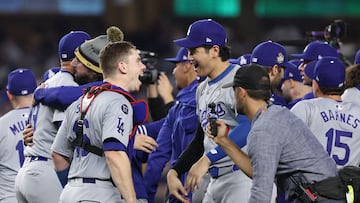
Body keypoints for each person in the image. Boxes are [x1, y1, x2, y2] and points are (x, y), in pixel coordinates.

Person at [209, 64, 341, 202]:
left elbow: (261, 195)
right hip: (325, 193)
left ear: (241, 92)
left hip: (321, 196)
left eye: (234, 91)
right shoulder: (277, 114)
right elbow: (259, 172)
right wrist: (224, 141)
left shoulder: (264, 128)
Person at [166, 19, 253, 203]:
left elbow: (248, 126)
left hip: (239, 178)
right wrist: (175, 171)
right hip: (212, 180)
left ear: (214, 50)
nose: (189, 58)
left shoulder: (240, 78)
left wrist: (207, 159)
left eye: (193, 51)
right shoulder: (201, 89)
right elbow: (200, 139)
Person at [51, 39, 147, 203]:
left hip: (70, 193)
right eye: (137, 61)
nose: (143, 66)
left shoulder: (79, 101)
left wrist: (74, 187)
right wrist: (132, 200)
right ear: (123, 67)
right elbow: (114, 154)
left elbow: (58, 155)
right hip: (99, 193)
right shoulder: (118, 102)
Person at [15, 30, 91, 203]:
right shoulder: (66, 85)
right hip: (46, 171)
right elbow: (63, 133)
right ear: (78, 58)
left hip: (29, 171)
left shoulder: (48, 83)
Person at [143, 47, 200, 203]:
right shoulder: (214, 97)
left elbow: (158, 156)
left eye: (176, 66)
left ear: (187, 65)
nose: (174, 72)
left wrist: (146, 196)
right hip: (209, 187)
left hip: (181, 187)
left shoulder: (188, 102)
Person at [291, 57, 360, 168]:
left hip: (312, 183)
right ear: (344, 84)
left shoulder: (306, 108)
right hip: (347, 183)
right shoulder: (358, 112)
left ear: (316, 85)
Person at [0, 69, 37, 203]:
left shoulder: (1, 125)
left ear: (9, 95)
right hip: (42, 194)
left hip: (10, 198)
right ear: (37, 90)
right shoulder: (47, 121)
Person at [250, 41, 293, 106]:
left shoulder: (241, 94)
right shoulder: (275, 104)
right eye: (283, 69)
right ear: (275, 69)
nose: (283, 76)